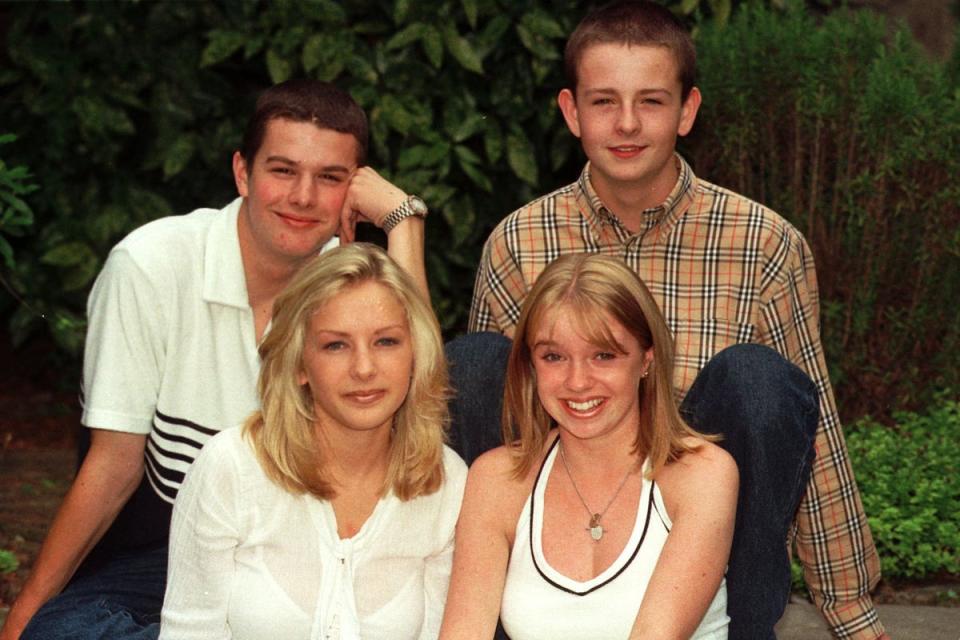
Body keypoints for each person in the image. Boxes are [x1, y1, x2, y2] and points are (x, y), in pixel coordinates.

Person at [463, 1, 886, 638]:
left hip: (709, 516)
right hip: (563, 503)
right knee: (470, 365)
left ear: (686, 111)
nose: (627, 123)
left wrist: (852, 610)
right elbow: (482, 417)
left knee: (758, 381)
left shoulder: (762, 243)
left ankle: (744, 626)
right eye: (604, 101)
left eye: (652, 102)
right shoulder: (519, 242)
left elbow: (811, 422)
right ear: (571, 112)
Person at [1, 79, 432, 640]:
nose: (303, 197)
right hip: (165, 550)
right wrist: (26, 612)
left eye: (330, 178)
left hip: (310, 546)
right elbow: (115, 463)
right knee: (61, 631)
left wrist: (404, 219)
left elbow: (420, 395)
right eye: (283, 170)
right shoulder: (150, 265)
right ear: (241, 172)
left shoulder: (348, 283)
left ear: (354, 191)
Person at [160, 243, 466, 639]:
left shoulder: (445, 482)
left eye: (386, 342)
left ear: (416, 354)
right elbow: (188, 632)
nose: (364, 368)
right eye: (335, 345)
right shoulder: (231, 467)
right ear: (300, 364)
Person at [441, 254, 737, 639]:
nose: (577, 382)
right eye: (554, 356)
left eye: (603, 355)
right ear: (530, 365)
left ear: (646, 358)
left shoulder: (700, 475)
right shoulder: (497, 479)